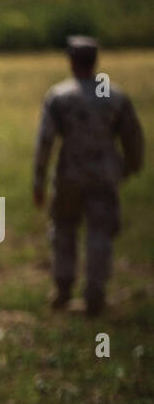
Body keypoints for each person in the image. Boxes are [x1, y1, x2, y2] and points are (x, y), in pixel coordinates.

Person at [32, 35, 143, 315]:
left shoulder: (60, 94)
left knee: (64, 228)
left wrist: (39, 180)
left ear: (70, 61)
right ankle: (95, 292)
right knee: (100, 232)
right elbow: (132, 135)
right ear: (95, 60)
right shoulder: (111, 93)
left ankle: (63, 289)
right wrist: (131, 164)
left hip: (69, 172)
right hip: (105, 173)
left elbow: (45, 140)